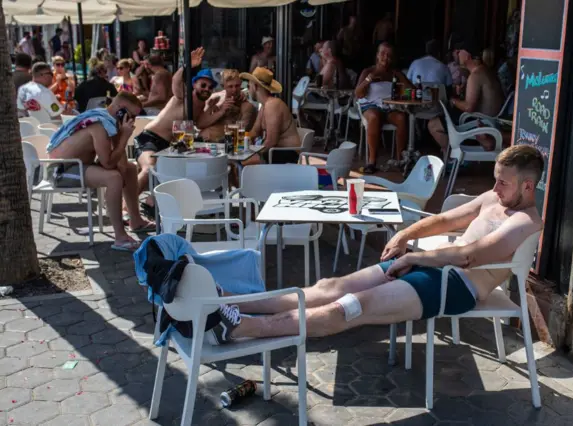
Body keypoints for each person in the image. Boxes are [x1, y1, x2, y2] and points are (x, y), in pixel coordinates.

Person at [199, 145, 545, 345]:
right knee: (330, 286)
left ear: (527, 187)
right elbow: (445, 220)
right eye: (496, 180)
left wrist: (419, 259)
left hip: (457, 286)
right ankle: (236, 302)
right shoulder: (493, 198)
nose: (496, 188)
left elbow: (471, 255)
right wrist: (405, 236)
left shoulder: (524, 222)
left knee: (350, 307)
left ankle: (245, 327)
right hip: (432, 265)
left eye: (503, 183)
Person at [47, 92, 153, 252]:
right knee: (114, 178)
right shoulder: (99, 125)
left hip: (79, 165)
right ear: (120, 110)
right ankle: (120, 237)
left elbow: (123, 163)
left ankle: (136, 220)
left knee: (130, 168)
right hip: (60, 171)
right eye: (131, 116)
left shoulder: (109, 121)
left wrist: (120, 136)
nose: (133, 121)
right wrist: (124, 137)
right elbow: (109, 163)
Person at [134, 48, 221, 208]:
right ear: (194, 83)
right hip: (149, 138)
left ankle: (155, 204)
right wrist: (187, 66)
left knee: (185, 170)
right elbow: (176, 81)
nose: (206, 89)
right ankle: (127, 208)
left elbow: (202, 123)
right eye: (203, 85)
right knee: (149, 169)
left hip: (169, 147)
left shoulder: (200, 106)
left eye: (210, 87)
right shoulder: (184, 95)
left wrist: (222, 108)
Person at [428, 40, 505, 153]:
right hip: (489, 120)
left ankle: (454, 157)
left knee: (433, 125)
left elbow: (469, 107)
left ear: (467, 55)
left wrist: (453, 100)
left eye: (459, 52)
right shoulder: (485, 71)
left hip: (480, 123)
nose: (456, 54)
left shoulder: (475, 75)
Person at [355, 43, 411, 174]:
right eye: (383, 54)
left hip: (390, 107)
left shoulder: (394, 73)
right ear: (377, 55)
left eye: (389, 55)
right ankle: (372, 161)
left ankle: (400, 160)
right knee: (374, 117)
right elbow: (358, 93)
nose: (385, 58)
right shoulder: (368, 71)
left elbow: (410, 91)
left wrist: (400, 76)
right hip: (370, 106)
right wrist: (369, 79)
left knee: (402, 117)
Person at [240, 67, 301, 164]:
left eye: (249, 86)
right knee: (239, 159)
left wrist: (253, 153)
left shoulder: (272, 105)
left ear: (255, 86)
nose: (248, 89)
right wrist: (240, 140)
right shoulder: (265, 105)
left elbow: (271, 141)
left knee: (244, 161)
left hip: (287, 153)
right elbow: (255, 131)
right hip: (276, 151)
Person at [198, 69, 258, 142]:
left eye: (237, 85)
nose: (234, 90)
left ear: (241, 84)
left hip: (223, 146)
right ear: (223, 86)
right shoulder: (215, 100)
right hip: (202, 143)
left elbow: (240, 135)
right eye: (230, 86)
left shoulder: (247, 107)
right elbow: (200, 124)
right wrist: (221, 112)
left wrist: (237, 112)